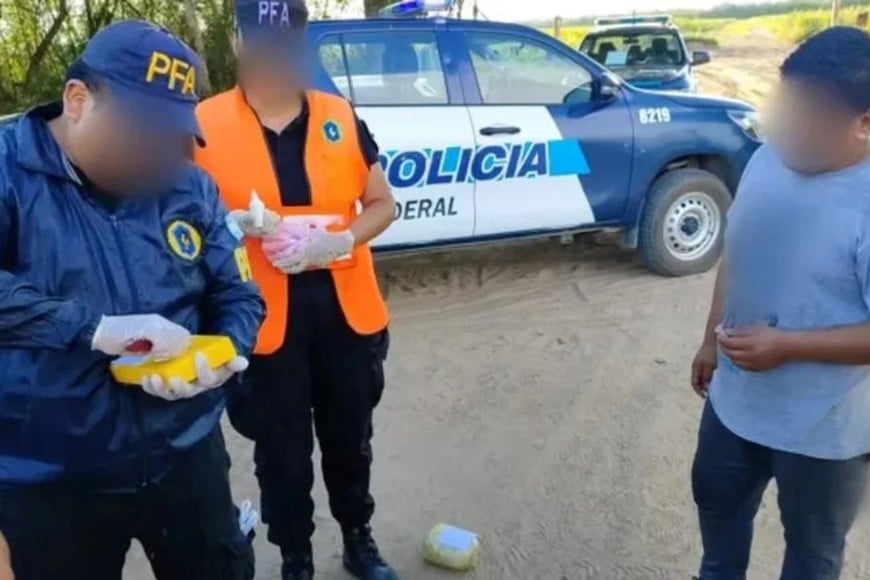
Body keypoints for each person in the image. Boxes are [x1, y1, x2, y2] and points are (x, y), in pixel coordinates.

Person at [0, 20, 265, 580]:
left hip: (186, 454)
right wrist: (91, 328)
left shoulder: (190, 186)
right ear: (78, 100)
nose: (155, 155)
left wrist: (220, 358)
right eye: (139, 131)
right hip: (52, 478)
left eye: (169, 137)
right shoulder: (7, 171)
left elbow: (240, 293)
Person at [194, 1, 397, 578]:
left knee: (350, 437)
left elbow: (383, 204)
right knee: (280, 452)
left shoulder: (338, 114)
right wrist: (231, 226)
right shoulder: (203, 126)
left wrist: (341, 241)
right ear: (236, 42)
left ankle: (359, 539)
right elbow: (177, 222)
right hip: (262, 321)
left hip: (346, 312)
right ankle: (295, 556)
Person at [690, 27, 870, 580]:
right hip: (734, 406)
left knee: (811, 558)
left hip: (824, 432)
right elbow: (739, 251)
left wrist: (786, 346)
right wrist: (709, 338)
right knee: (718, 532)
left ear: (864, 123)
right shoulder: (769, 159)